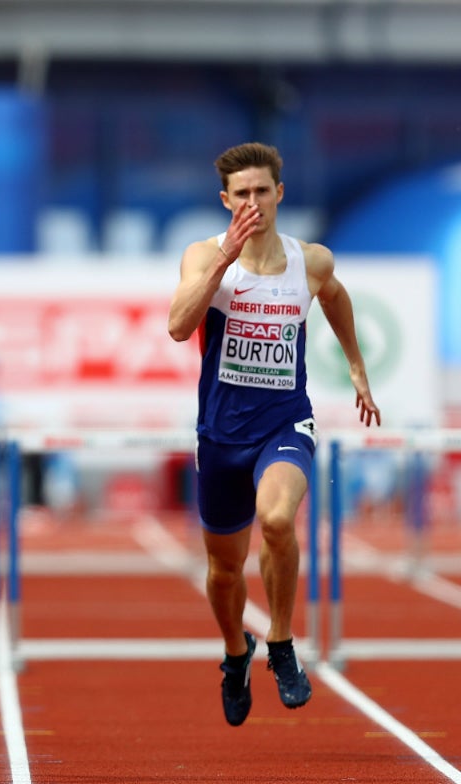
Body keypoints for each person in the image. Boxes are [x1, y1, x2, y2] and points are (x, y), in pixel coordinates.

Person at [167, 142, 380, 727]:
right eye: (242, 194)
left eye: (263, 191)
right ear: (225, 201)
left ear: (280, 194)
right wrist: (222, 262)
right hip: (220, 435)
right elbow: (177, 327)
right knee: (224, 571)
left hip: (284, 421)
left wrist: (356, 366)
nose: (254, 203)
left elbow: (334, 297)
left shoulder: (308, 261)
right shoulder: (203, 257)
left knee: (279, 520)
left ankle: (281, 643)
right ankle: (237, 652)